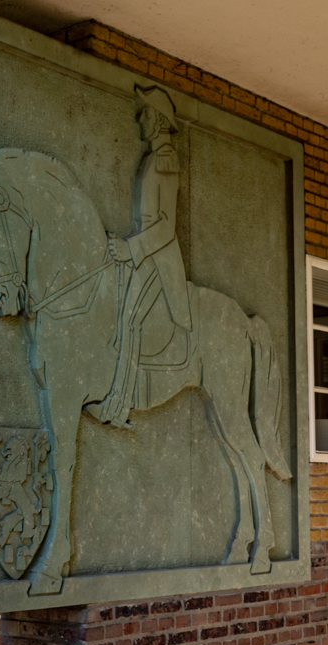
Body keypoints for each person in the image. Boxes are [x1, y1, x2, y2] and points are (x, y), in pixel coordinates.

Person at [86, 85, 192, 428]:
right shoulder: (151, 158)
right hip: (142, 252)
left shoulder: (165, 160)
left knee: (130, 321)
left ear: (159, 120)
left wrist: (131, 249)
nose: (139, 119)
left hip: (158, 258)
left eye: (144, 113)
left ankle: (118, 408)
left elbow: (166, 228)